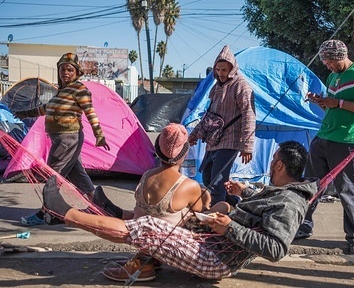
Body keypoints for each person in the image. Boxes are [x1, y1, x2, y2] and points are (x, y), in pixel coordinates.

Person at [42, 141, 318, 280]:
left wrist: (229, 226)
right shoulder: (281, 193)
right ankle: (146, 262)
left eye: (272, 161)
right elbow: (263, 205)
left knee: (149, 226)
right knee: (185, 217)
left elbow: (276, 249)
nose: (270, 165)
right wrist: (242, 192)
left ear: (279, 165)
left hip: (217, 259)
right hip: (215, 241)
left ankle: (65, 213)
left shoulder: (289, 203)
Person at [94, 123, 213, 282]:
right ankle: (145, 264)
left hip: (143, 238)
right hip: (167, 242)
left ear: (157, 150)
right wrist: (206, 199)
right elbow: (198, 215)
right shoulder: (189, 186)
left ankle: (146, 257)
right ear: (184, 154)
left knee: (147, 213)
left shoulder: (146, 175)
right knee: (202, 213)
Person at [296, 40, 354, 256]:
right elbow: (332, 105)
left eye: (330, 61)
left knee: (348, 190)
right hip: (323, 137)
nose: (328, 66)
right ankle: (304, 226)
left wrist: (337, 103)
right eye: (325, 62)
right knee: (311, 186)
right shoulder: (332, 77)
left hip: (347, 141)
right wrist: (321, 102)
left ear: (340, 56)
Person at [15, 52, 110, 226]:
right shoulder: (62, 91)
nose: (65, 73)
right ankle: (99, 206)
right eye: (62, 69)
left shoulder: (79, 89)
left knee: (52, 175)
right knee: (78, 175)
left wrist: (99, 135)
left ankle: (44, 213)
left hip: (68, 139)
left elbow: (90, 113)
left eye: (69, 69)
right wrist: (24, 113)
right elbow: (46, 109)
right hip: (61, 139)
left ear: (76, 72)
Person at [188, 45, 256, 207]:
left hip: (230, 141)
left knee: (217, 181)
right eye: (218, 69)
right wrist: (195, 134)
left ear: (232, 69)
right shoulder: (217, 87)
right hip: (214, 140)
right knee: (207, 176)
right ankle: (236, 204)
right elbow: (209, 115)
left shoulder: (241, 86)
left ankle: (215, 217)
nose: (221, 73)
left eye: (224, 70)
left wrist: (247, 145)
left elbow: (249, 114)